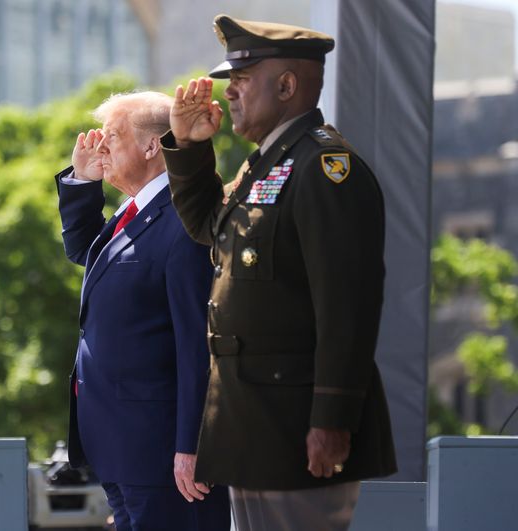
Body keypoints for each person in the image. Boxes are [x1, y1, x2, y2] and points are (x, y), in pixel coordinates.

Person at [161, 15, 398, 531]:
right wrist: (190, 146)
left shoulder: (326, 168)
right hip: (253, 420)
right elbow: (209, 226)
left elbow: (348, 305)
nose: (229, 95)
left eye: (242, 81)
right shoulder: (264, 168)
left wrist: (332, 418)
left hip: (298, 426)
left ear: (287, 85)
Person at [55, 91, 230, 531]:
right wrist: (81, 180)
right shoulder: (134, 211)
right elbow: (86, 252)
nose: (101, 147)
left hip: (163, 452)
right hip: (120, 445)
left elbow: (197, 344)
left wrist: (192, 445)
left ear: (153, 146)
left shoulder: (182, 218)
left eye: (112, 136)